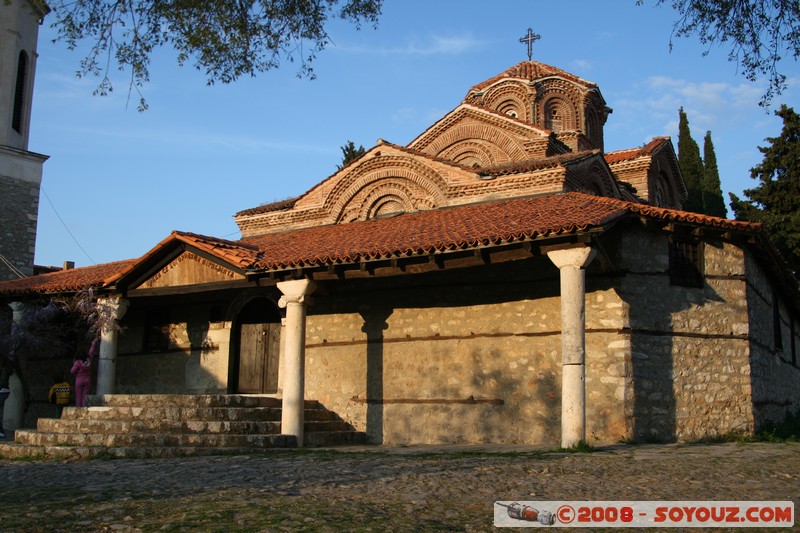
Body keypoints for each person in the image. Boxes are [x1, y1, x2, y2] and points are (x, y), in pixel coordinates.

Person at [71, 338, 98, 408]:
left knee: (78, 395)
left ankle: (78, 408)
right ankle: (84, 407)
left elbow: (72, 371)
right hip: (87, 379)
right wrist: (93, 344)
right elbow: (91, 352)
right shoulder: (89, 360)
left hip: (79, 380)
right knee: (85, 395)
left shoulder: (77, 362)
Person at [0, 357, 13, 438]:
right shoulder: (4, 369)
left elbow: (3, 382)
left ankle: (1, 432)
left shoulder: (4, 369)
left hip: (2, 391)